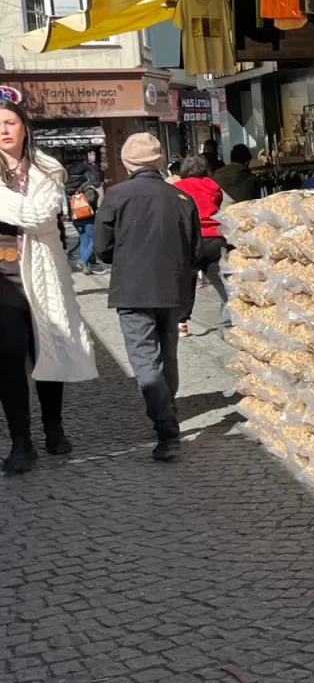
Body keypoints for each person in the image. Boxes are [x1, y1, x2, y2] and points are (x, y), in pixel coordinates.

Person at [0, 100, 97, 474]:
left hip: (41, 272)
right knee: (7, 357)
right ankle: (21, 442)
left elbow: (38, 216)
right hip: (3, 282)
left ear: (25, 127)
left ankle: (54, 428)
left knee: (48, 350)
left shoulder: (47, 168)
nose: (4, 130)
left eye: (11, 122)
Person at [94, 133, 201, 462]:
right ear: (158, 162)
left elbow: (102, 248)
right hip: (173, 288)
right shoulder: (181, 198)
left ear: (128, 164)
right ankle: (168, 409)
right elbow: (194, 249)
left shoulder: (117, 195)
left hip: (133, 288)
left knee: (144, 360)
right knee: (167, 354)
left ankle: (166, 428)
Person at [172, 154, 229, 337]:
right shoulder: (214, 186)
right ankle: (234, 318)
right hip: (215, 238)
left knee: (187, 282)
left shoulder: (178, 188)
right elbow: (217, 206)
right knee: (223, 282)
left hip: (191, 240)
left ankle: (182, 324)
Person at [65, 149, 105, 274]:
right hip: (88, 216)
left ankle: (86, 268)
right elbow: (92, 198)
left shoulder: (68, 188)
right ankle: (83, 260)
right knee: (94, 239)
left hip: (76, 217)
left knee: (84, 240)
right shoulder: (85, 185)